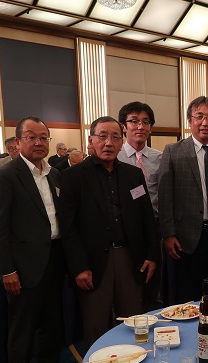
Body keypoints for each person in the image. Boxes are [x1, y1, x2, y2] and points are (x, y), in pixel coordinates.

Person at [0, 116, 74, 363]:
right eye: (31, 137)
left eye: (43, 137)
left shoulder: (54, 174)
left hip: (54, 261)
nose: (38, 142)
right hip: (23, 268)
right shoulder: (6, 176)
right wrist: (7, 271)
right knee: (22, 333)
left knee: (52, 326)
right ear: (18, 141)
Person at [60, 116, 158, 348]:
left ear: (121, 142)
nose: (108, 143)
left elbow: (147, 217)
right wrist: (79, 266)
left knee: (133, 322)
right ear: (91, 140)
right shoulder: (73, 177)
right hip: (92, 262)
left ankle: (135, 362)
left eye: (115, 137)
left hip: (129, 257)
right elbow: (68, 227)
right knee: (96, 323)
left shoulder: (133, 175)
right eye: (102, 136)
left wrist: (152, 254)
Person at [158, 96, 208, 303]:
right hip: (185, 238)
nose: (205, 122)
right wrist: (168, 234)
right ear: (190, 121)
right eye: (199, 116)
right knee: (187, 296)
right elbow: (165, 196)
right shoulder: (173, 151)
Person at [117, 101, 163, 312]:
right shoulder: (114, 157)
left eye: (145, 122)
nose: (140, 126)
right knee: (127, 289)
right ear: (124, 126)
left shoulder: (159, 158)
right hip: (124, 232)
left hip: (154, 230)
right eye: (134, 121)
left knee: (153, 287)